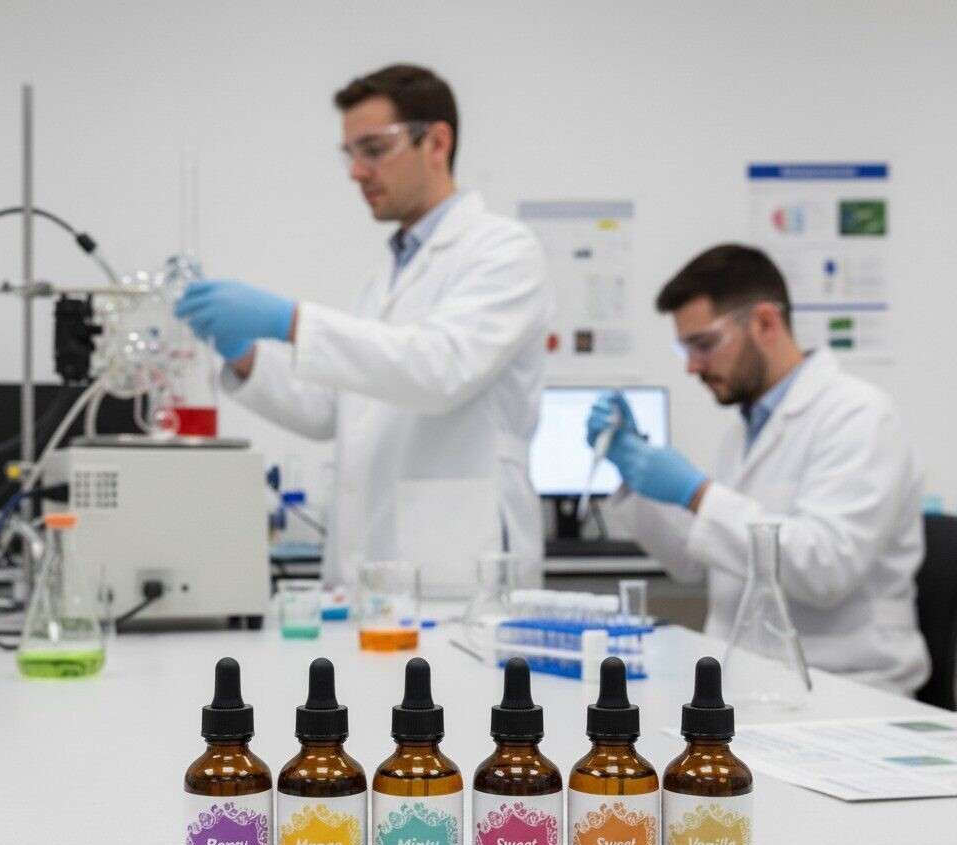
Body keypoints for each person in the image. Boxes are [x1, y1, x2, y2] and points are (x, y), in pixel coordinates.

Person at [175, 65, 549, 594]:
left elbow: (440, 370)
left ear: (437, 142)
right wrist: (244, 354)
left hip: (462, 571)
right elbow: (337, 409)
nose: (356, 171)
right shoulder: (383, 280)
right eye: (350, 153)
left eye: (374, 150)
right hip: (372, 571)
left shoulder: (505, 252)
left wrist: (292, 321)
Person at [587, 244, 929, 693]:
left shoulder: (860, 416)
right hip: (753, 681)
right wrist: (631, 472)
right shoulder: (744, 430)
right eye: (684, 349)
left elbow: (826, 568)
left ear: (765, 322)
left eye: (704, 344)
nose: (692, 366)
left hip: (848, 684)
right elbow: (693, 563)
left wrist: (697, 493)